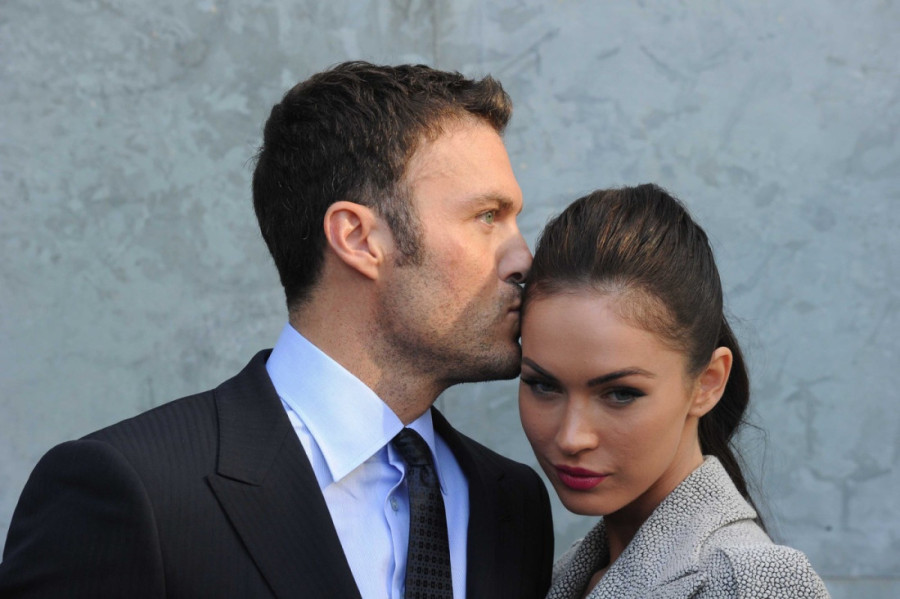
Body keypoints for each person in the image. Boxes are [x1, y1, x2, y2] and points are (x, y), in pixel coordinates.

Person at [0, 62, 554, 599]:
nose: (523, 259)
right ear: (358, 238)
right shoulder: (138, 489)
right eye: (487, 216)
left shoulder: (513, 503)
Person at [517, 184, 829, 598]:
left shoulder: (752, 581)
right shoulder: (565, 576)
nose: (572, 438)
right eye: (543, 385)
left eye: (621, 393)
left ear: (708, 382)